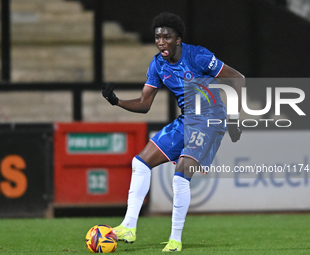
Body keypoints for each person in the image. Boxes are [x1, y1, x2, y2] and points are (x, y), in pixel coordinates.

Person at [102, 12, 245, 252]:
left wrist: (233, 118)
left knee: (180, 176)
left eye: (167, 37)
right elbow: (144, 104)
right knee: (140, 162)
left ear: (178, 39)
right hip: (187, 119)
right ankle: (128, 226)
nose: (161, 42)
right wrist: (116, 101)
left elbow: (238, 79)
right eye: (158, 37)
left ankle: (175, 240)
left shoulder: (198, 56)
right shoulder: (158, 64)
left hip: (209, 120)